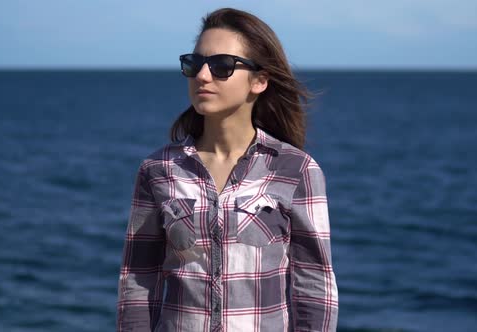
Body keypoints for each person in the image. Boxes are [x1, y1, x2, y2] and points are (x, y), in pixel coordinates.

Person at [117, 7, 338, 332]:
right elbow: (138, 280)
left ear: (259, 81)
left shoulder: (297, 170)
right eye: (194, 64)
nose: (203, 76)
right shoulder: (158, 170)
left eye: (221, 66)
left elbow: (314, 287)